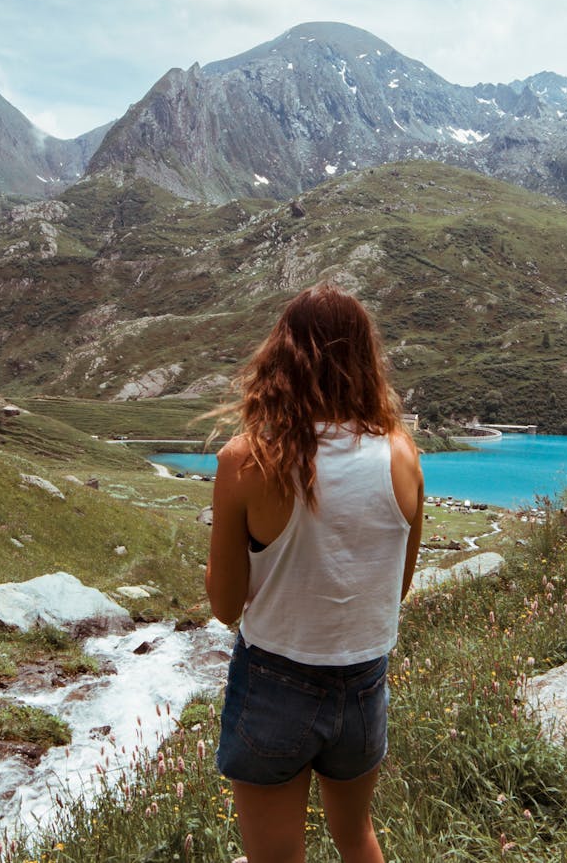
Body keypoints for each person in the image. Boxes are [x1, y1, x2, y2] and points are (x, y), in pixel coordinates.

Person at [206, 282, 424, 863]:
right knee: (356, 838)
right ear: (364, 359)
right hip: (364, 682)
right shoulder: (402, 454)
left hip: (274, 680)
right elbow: (393, 588)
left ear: (280, 356)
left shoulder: (246, 459)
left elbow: (225, 606)